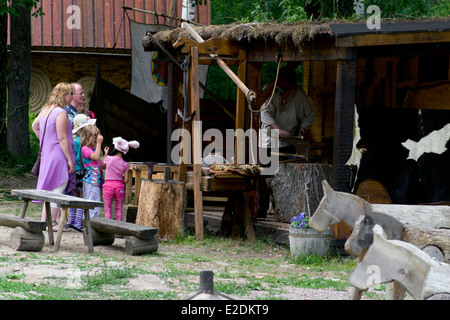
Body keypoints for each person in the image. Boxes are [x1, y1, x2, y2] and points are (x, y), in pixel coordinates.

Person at [257, 66, 315, 218]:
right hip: (268, 142)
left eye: (287, 87)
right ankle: (261, 210)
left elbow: (308, 115)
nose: (284, 91)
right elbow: (265, 115)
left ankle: (282, 211)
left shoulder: (299, 94)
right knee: (264, 176)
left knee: (285, 176)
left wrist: (302, 129)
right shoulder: (269, 92)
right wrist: (278, 130)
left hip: (288, 142)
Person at [31, 82, 75, 230]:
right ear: (64, 95)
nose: (72, 96)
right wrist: (69, 159)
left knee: (49, 190)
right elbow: (62, 138)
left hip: (47, 155)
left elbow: (35, 126)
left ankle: (44, 220)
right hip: (59, 156)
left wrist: (46, 141)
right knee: (58, 189)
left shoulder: (45, 109)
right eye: (70, 93)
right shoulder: (61, 113)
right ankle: (49, 222)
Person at [66, 114, 97, 232]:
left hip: (73, 171)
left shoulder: (73, 139)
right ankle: (78, 223)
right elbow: (82, 159)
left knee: (74, 195)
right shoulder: (81, 142)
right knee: (81, 196)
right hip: (81, 170)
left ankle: (73, 221)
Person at [103, 137, 140, 222]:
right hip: (119, 187)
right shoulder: (125, 164)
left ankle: (108, 229)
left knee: (107, 209)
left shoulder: (108, 158)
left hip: (108, 186)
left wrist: (105, 153)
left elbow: (103, 165)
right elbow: (126, 180)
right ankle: (118, 231)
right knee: (119, 209)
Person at [81, 125, 105, 218]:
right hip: (91, 181)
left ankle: (91, 225)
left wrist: (105, 154)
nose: (96, 139)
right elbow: (95, 157)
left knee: (95, 203)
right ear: (88, 137)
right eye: (95, 137)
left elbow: (101, 164)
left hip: (96, 181)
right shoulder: (85, 149)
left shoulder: (94, 149)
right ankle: (89, 225)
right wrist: (99, 144)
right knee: (92, 203)